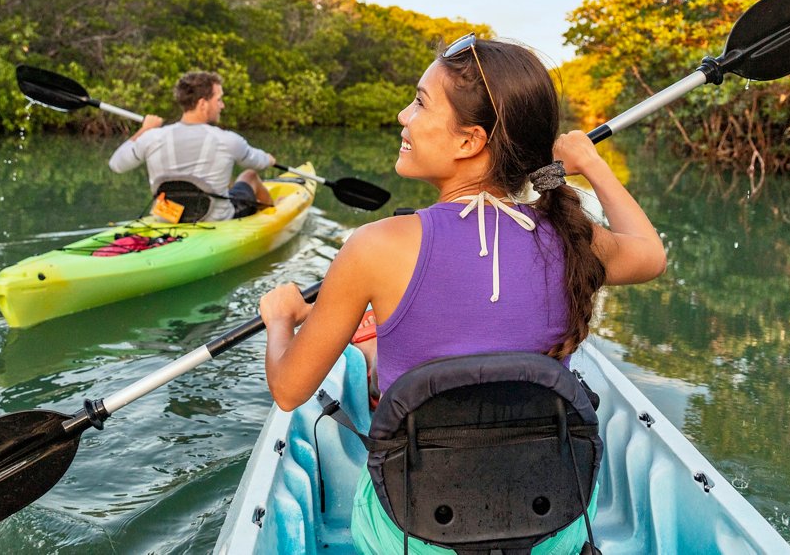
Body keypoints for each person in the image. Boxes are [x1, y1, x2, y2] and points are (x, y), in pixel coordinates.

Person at [259, 34, 667, 553]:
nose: (404, 116)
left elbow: (290, 390)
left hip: (415, 536)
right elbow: (650, 254)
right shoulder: (572, 237)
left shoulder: (375, 246)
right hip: (548, 530)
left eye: (420, 103)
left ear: (469, 140)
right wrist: (590, 163)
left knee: (372, 355)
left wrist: (280, 318)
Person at [108, 71, 275, 221]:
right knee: (250, 176)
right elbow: (257, 162)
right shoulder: (228, 140)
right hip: (215, 219)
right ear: (203, 104)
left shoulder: (152, 137)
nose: (222, 105)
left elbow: (116, 164)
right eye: (219, 99)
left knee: (226, 183)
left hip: (167, 218)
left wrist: (144, 130)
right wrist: (269, 159)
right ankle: (274, 215)